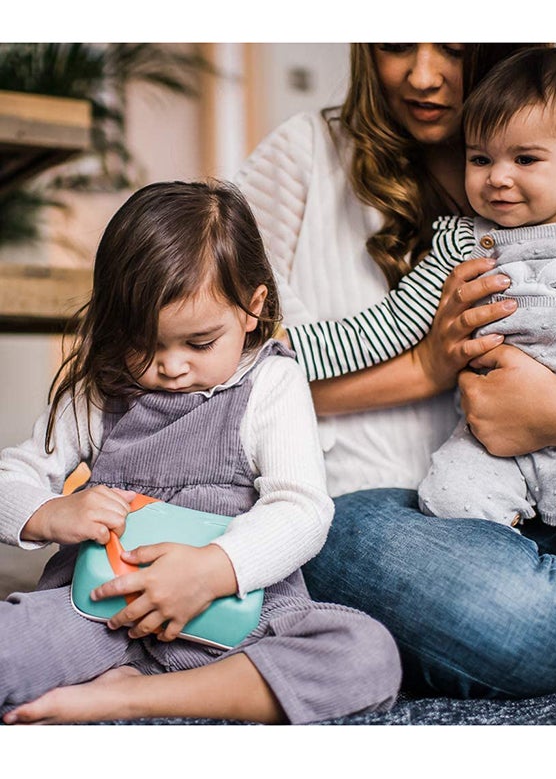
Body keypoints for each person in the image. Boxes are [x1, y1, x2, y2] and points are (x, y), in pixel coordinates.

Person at [233, 43, 556, 702]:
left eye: (455, 50)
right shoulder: (446, 230)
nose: (425, 74)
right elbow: (244, 363)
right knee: (536, 622)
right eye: (396, 44)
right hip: (393, 499)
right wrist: (427, 366)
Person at [0, 179, 401, 725]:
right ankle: (120, 676)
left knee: (366, 656)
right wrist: (47, 512)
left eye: (199, 343)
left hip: (235, 617)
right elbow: (14, 472)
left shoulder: (272, 384)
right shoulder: (100, 387)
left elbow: (302, 508)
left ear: (252, 308)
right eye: (144, 342)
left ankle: (125, 696)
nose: (170, 366)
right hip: (98, 612)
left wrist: (212, 570)